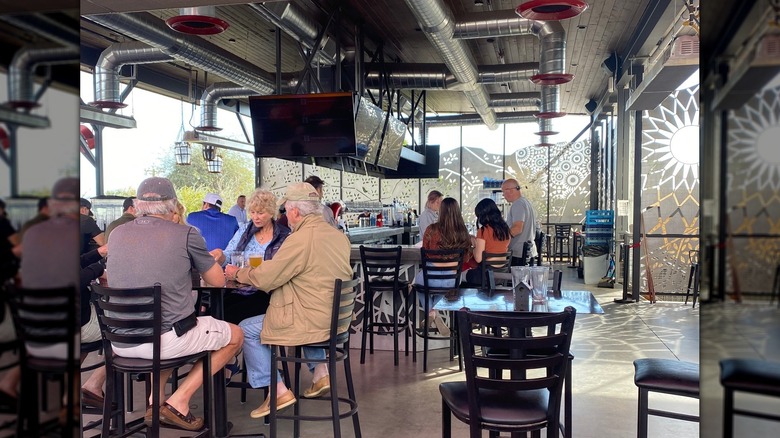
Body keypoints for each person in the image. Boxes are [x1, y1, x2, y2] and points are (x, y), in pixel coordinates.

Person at [106, 177, 243, 431]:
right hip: (164, 341)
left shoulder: (116, 234)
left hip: (120, 343)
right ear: (172, 206)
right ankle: (178, 401)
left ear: (137, 205)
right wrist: (218, 259)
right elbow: (216, 282)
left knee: (165, 330)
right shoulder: (185, 233)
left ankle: (154, 403)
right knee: (235, 335)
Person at [224, 182, 352, 419]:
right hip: (336, 321)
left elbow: (268, 278)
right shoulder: (338, 237)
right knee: (291, 309)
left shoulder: (299, 239)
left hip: (309, 321)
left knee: (247, 329)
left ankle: (277, 389)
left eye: (285, 211)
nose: (285, 217)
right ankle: (319, 372)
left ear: (294, 211)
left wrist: (236, 273)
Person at [213, 189, 292, 390]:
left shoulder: (284, 236)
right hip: (243, 290)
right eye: (253, 212)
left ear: (272, 213)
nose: (256, 217)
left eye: (261, 213)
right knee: (218, 309)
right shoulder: (244, 230)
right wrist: (220, 256)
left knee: (227, 313)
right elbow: (230, 254)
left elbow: (282, 272)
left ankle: (229, 359)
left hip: (268, 294)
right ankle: (230, 357)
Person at [412, 197, 473, 337]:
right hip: (452, 281)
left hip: (429, 279)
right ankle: (433, 312)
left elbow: (425, 252)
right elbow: (466, 258)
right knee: (443, 288)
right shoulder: (463, 232)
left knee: (417, 284)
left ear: (442, 211)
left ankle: (431, 313)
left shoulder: (431, 230)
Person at [464, 198, 512, 285]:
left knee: (461, 275)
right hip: (503, 275)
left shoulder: (483, 230)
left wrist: (474, 244)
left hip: (486, 276)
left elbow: (478, 259)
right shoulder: (506, 230)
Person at [501, 179, 537, 266]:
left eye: (503, 191)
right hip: (527, 251)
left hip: (518, 252)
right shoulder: (526, 202)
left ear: (511, 190)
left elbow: (517, 228)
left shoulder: (518, 204)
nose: (503, 195)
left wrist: (501, 239)